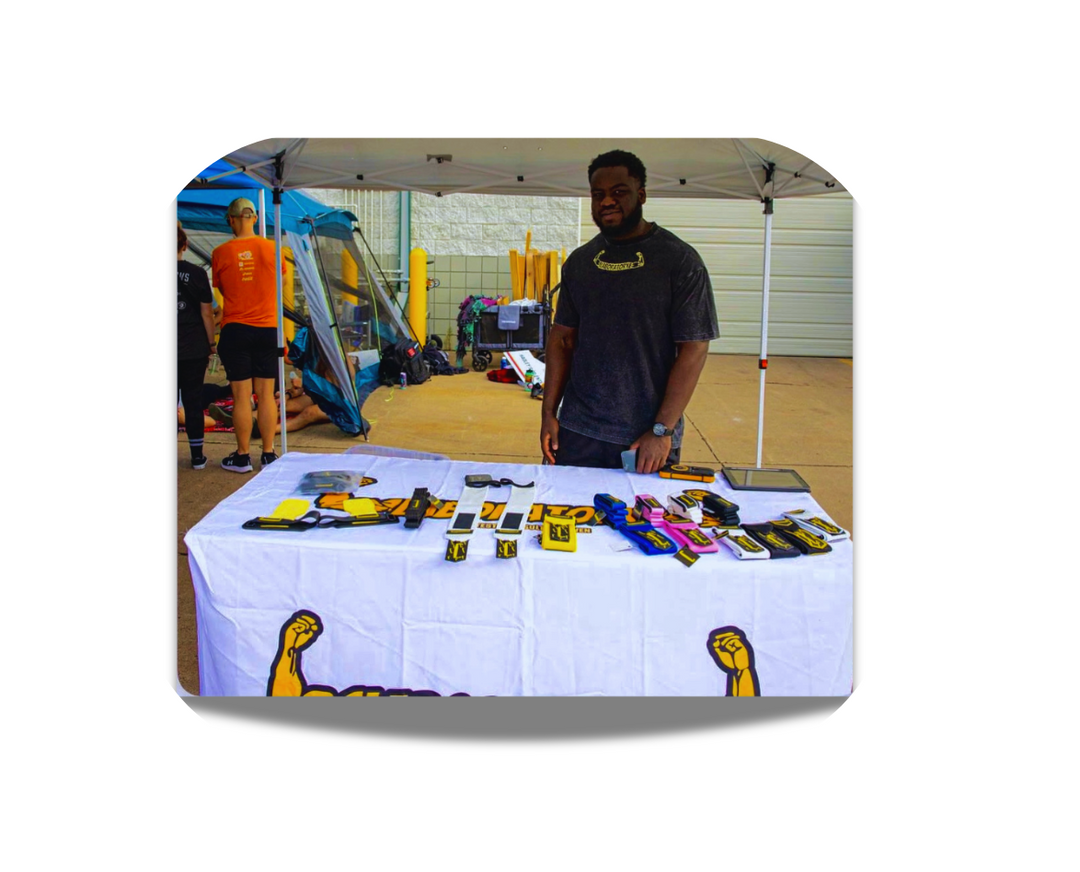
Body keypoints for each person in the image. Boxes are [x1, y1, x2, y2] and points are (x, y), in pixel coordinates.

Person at [540, 150, 719, 473]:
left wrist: (662, 430)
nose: (607, 201)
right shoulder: (581, 263)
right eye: (598, 194)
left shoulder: (679, 261)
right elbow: (562, 339)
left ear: (642, 195)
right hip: (578, 432)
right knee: (563, 505)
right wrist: (549, 414)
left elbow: (694, 349)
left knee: (640, 509)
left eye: (619, 192)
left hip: (644, 439)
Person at [211, 197, 283, 473]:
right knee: (266, 394)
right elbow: (279, 283)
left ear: (231, 220)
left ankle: (242, 456)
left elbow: (223, 289)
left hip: (236, 328)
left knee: (241, 396)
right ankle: (268, 453)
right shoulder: (273, 249)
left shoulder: (220, 253)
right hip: (267, 328)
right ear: (255, 218)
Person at [177, 224, 217, 469]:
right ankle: (197, 457)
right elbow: (207, 313)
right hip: (193, 346)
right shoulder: (197, 273)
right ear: (185, 245)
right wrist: (211, 343)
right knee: (193, 401)